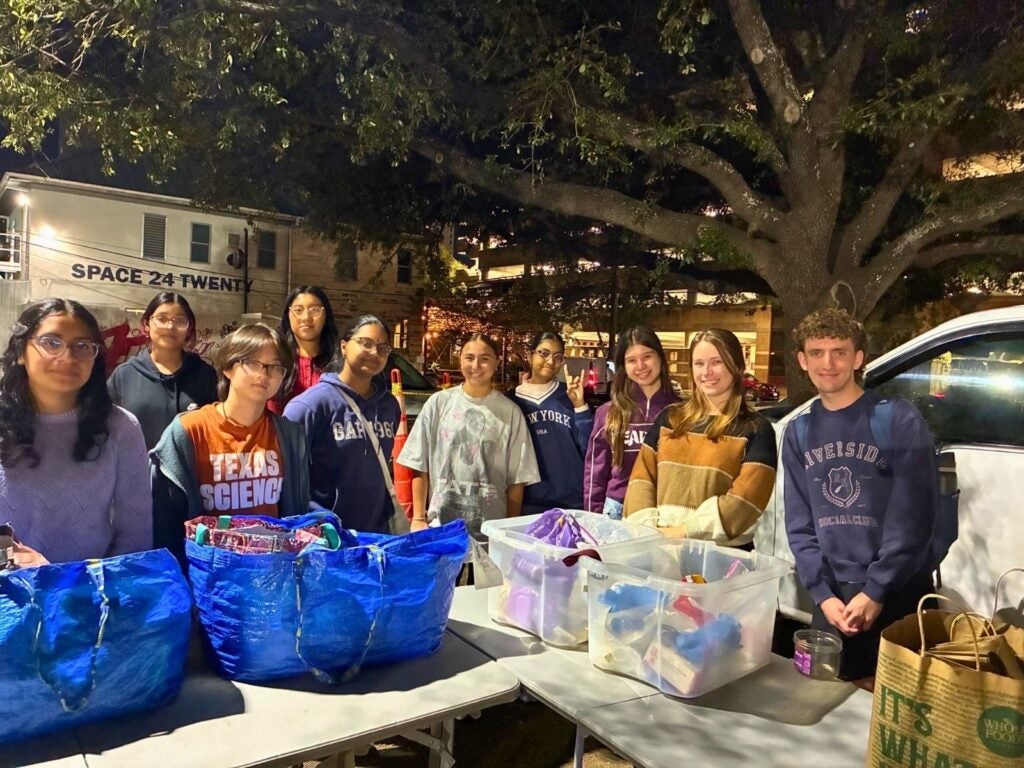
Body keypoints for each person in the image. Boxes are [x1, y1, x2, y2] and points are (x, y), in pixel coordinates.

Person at [783, 308, 937, 681]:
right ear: (803, 361)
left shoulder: (897, 419)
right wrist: (822, 594)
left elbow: (913, 516)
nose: (828, 363)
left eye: (839, 351)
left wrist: (875, 590)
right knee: (822, 699)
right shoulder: (798, 431)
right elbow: (800, 524)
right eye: (816, 353)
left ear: (858, 357)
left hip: (894, 592)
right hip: (832, 600)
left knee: (891, 709)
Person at [0, 298, 151, 564]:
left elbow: (134, 536)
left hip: (89, 596)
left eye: (82, 346)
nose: (68, 357)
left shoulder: (121, 428)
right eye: (51, 342)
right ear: (21, 352)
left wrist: (86, 587)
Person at [150, 323, 310, 562]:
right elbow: (165, 524)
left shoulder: (290, 436)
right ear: (227, 367)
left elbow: (296, 515)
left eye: (275, 367)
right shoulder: (188, 431)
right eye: (253, 363)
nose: (264, 374)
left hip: (272, 574)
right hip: (208, 577)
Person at [623, 329, 776, 545]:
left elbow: (744, 503)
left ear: (737, 366)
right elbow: (641, 479)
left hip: (720, 560)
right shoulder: (670, 419)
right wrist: (646, 531)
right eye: (699, 363)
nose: (707, 372)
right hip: (659, 551)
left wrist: (683, 532)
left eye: (717, 362)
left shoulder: (756, 430)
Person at [398, 332, 540, 541]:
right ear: (460, 360)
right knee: (445, 574)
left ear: (496, 362)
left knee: (486, 574)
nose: (476, 365)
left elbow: (517, 479)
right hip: (442, 525)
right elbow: (419, 463)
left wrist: (507, 529)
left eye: (484, 359)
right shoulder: (438, 403)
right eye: (469, 358)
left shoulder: (509, 412)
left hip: (490, 528)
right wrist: (419, 517)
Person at [283, 314, 401, 532]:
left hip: (376, 536)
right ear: (344, 346)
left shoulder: (388, 405)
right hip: (327, 539)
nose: (375, 353)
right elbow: (286, 479)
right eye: (366, 343)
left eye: (383, 348)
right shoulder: (309, 406)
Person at [583, 326, 680, 518]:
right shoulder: (608, 413)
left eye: (647, 356)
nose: (640, 366)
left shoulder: (682, 412)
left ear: (660, 358)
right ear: (623, 367)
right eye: (631, 360)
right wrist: (592, 518)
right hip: (617, 510)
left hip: (666, 510)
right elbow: (595, 474)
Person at [107, 292, 218, 449]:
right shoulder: (124, 375)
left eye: (180, 320)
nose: (170, 326)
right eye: (161, 319)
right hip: (136, 472)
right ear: (146, 324)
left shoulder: (205, 375)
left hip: (190, 472)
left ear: (189, 328)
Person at [511, 332, 594, 515]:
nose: (550, 361)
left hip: (570, 503)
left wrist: (580, 406)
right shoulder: (512, 401)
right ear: (529, 355)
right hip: (527, 502)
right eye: (544, 353)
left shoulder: (570, 396)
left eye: (557, 357)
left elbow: (590, 449)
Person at [267, 285, 338, 414]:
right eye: (298, 310)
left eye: (315, 309)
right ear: (288, 315)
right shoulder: (275, 360)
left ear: (326, 316)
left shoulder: (339, 363)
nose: (306, 317)